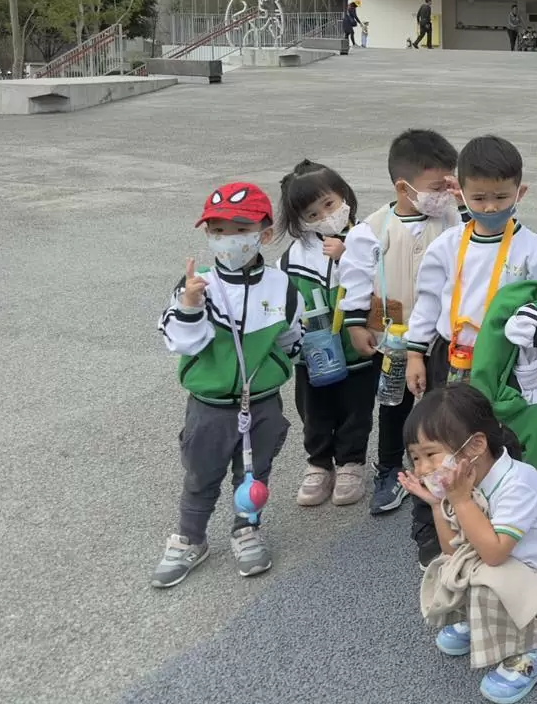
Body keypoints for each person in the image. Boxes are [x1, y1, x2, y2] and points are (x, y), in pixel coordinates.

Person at [406, 135, 537, 558]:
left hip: (505, 363)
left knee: (496, 438)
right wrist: (415, 352)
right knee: (440, 439)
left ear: (519, 193)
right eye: (479, 197)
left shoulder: (532, 248)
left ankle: (502, 519)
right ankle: (434, 525)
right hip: (450, 357)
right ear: (460, 191)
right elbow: (427, 302)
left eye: (501, 197)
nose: (490, 207)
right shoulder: (447, 246)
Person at [151, 182, 303, 588]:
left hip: (264, 402)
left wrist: (284, 360)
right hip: (210, 405)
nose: (227, 240)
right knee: (201, 471)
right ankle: (190, 537)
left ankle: (246, 528)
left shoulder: (282, 287)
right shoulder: (196, 285)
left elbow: (291, 339)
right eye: (217, 231)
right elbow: (180, 343)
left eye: (239, 230)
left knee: (254, 473)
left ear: (264, 235)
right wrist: (189, 306)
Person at [403, 383, 537, 703]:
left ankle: (535, 650)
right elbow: (452, 551)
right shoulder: (468, 480)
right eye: (415, 458)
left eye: (431, 454)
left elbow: (492, 554)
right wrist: (437, 505)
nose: (422, 469)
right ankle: (487, 622)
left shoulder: (517, 484)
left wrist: (460, 502)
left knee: (486, 576)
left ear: (474, 446)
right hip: (521, 576)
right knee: (454, 564)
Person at [339, 130, 463, 525]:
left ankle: (447, 468)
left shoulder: (453, 220)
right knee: (394, 406)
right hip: (391, 340)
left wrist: (462, 203)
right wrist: (357, 325)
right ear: (403, 187)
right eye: (436, 186)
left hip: (441, 338)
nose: (444, 193)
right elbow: (354, 279)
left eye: (449, 183)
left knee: (442, 404)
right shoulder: (371, 229)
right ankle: (390, 468)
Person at [277, 160, 377, 508]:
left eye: (329, 205)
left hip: (356, 346)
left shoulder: (366, 236)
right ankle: (319, 463)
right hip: (314, 351)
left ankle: (351, 463)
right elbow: (282, 296)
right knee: (313, 409)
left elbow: (381, 277)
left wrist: (348, 255)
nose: (324, 216)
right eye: (312, 213)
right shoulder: (294, 256)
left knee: (356, 407)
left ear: (344, 197)